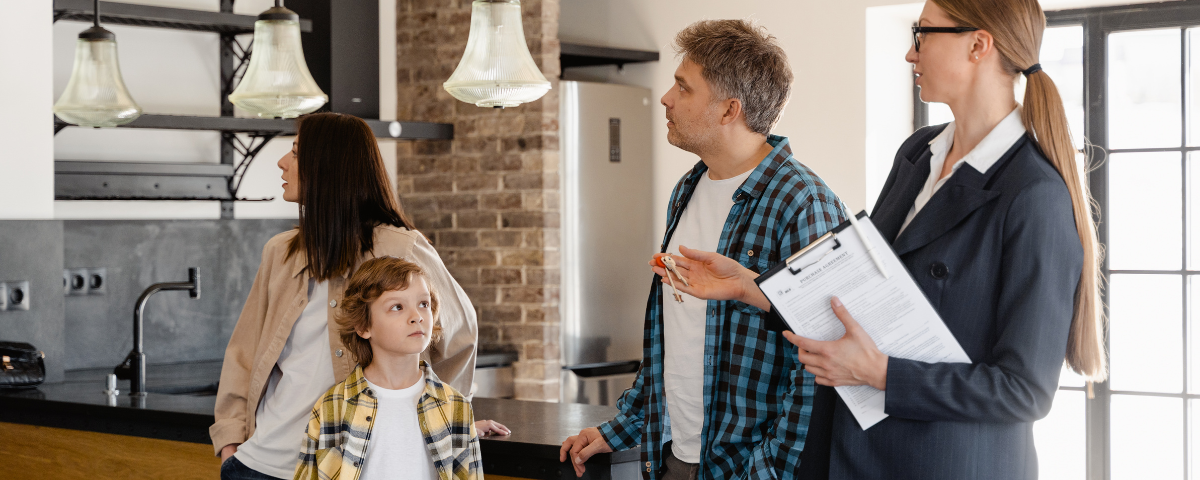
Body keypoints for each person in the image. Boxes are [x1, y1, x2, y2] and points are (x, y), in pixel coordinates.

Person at [657, 1, 1106, 479]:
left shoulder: (1034, 194)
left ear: (978, 45)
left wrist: (881, 374)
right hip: (856, 456)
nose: (911, 53)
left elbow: (1024, 391)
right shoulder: (918, 153)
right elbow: (861, 294)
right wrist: (751, 287)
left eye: (923, 33)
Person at [559, 20, 847, 480]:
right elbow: (675, 334)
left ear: (729, 109)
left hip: (746, 468)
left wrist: (768, 470)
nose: (665, 98)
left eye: (683, 87)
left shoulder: (803, 202)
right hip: (673, 457)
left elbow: (821, 362)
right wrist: (623, 426)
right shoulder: (687, 189)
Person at [212, 113, 491, 480]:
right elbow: (244, 353)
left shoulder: (402, 248)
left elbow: (458, 337)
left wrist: (442, 417)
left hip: (347, 470)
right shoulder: (279, 252)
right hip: (259, 465)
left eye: (294, 153)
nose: (282, 162)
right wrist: (230, 441)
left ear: (329, 167)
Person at [294, 256, 483, 480]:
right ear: (363, 326)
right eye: (397, 307)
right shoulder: (331, 407)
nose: (417, 317)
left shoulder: (456, 407)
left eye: (423, 304)